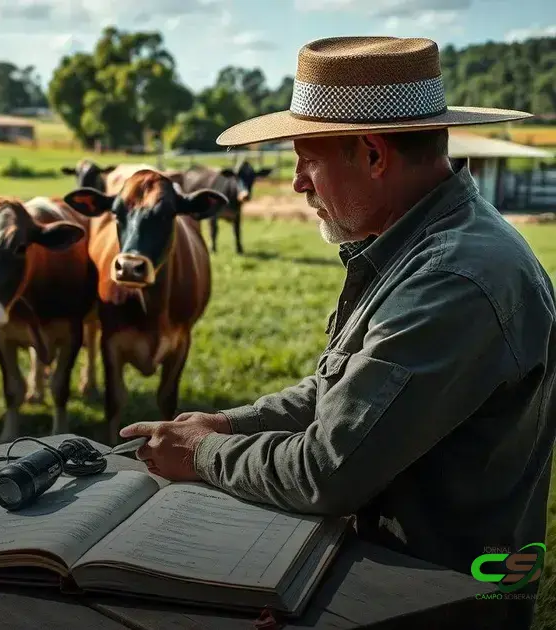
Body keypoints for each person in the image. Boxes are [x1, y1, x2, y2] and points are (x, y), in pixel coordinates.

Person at [120, 36, 556, 628]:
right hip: (388, 580)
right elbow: (348, 391)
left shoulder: (454, 279)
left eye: (308, 160)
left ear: (374, 154)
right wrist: (226, 424)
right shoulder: (427, 247)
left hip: (432, 600)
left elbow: (325, 470)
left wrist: (202, 454)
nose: (298, 183)